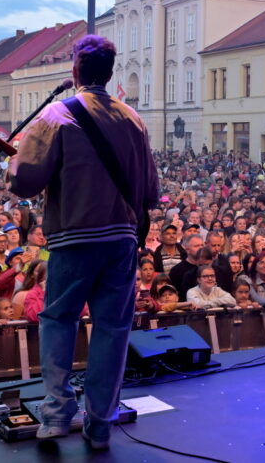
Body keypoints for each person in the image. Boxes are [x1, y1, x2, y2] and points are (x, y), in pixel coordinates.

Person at [8, 34, 159, 451]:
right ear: (110, 72)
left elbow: (24, 181)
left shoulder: (57, 115)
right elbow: (150, 191)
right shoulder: (133, 118)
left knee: (59, 320)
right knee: (113, 329)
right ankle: (100, 424)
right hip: (122, 239)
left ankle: (57, 414)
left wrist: (12, 160)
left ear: (75, 68)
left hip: (74, 237)